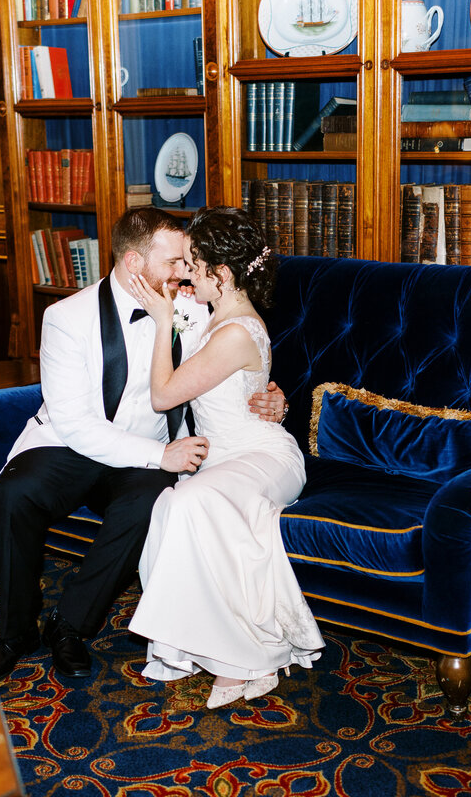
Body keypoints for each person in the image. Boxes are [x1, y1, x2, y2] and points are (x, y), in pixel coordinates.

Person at [0, 206, 289, 682]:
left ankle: (71, 625)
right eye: (175, 263)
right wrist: (158, 455)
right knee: (16, 494)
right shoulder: (65, 317)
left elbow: (239, 355)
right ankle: (13, 632)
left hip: (150, 449)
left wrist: (271, 395)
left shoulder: (195, 304)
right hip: (69, 446)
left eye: (189, 262)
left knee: (149, 502)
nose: (185, 272)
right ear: (134, 263)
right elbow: (76, 424)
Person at [126, 206, 325, 708]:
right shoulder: (216, 315)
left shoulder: (236, 331)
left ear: (223, 273)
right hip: (225, 456)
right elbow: (242, 386)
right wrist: (180, 312)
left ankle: (243, 659)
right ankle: (198, 643)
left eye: (194, 264)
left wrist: (164, 318)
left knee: (193, 502)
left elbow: (165, 395)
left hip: (262, 455)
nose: (185, 274)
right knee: (172, 506)